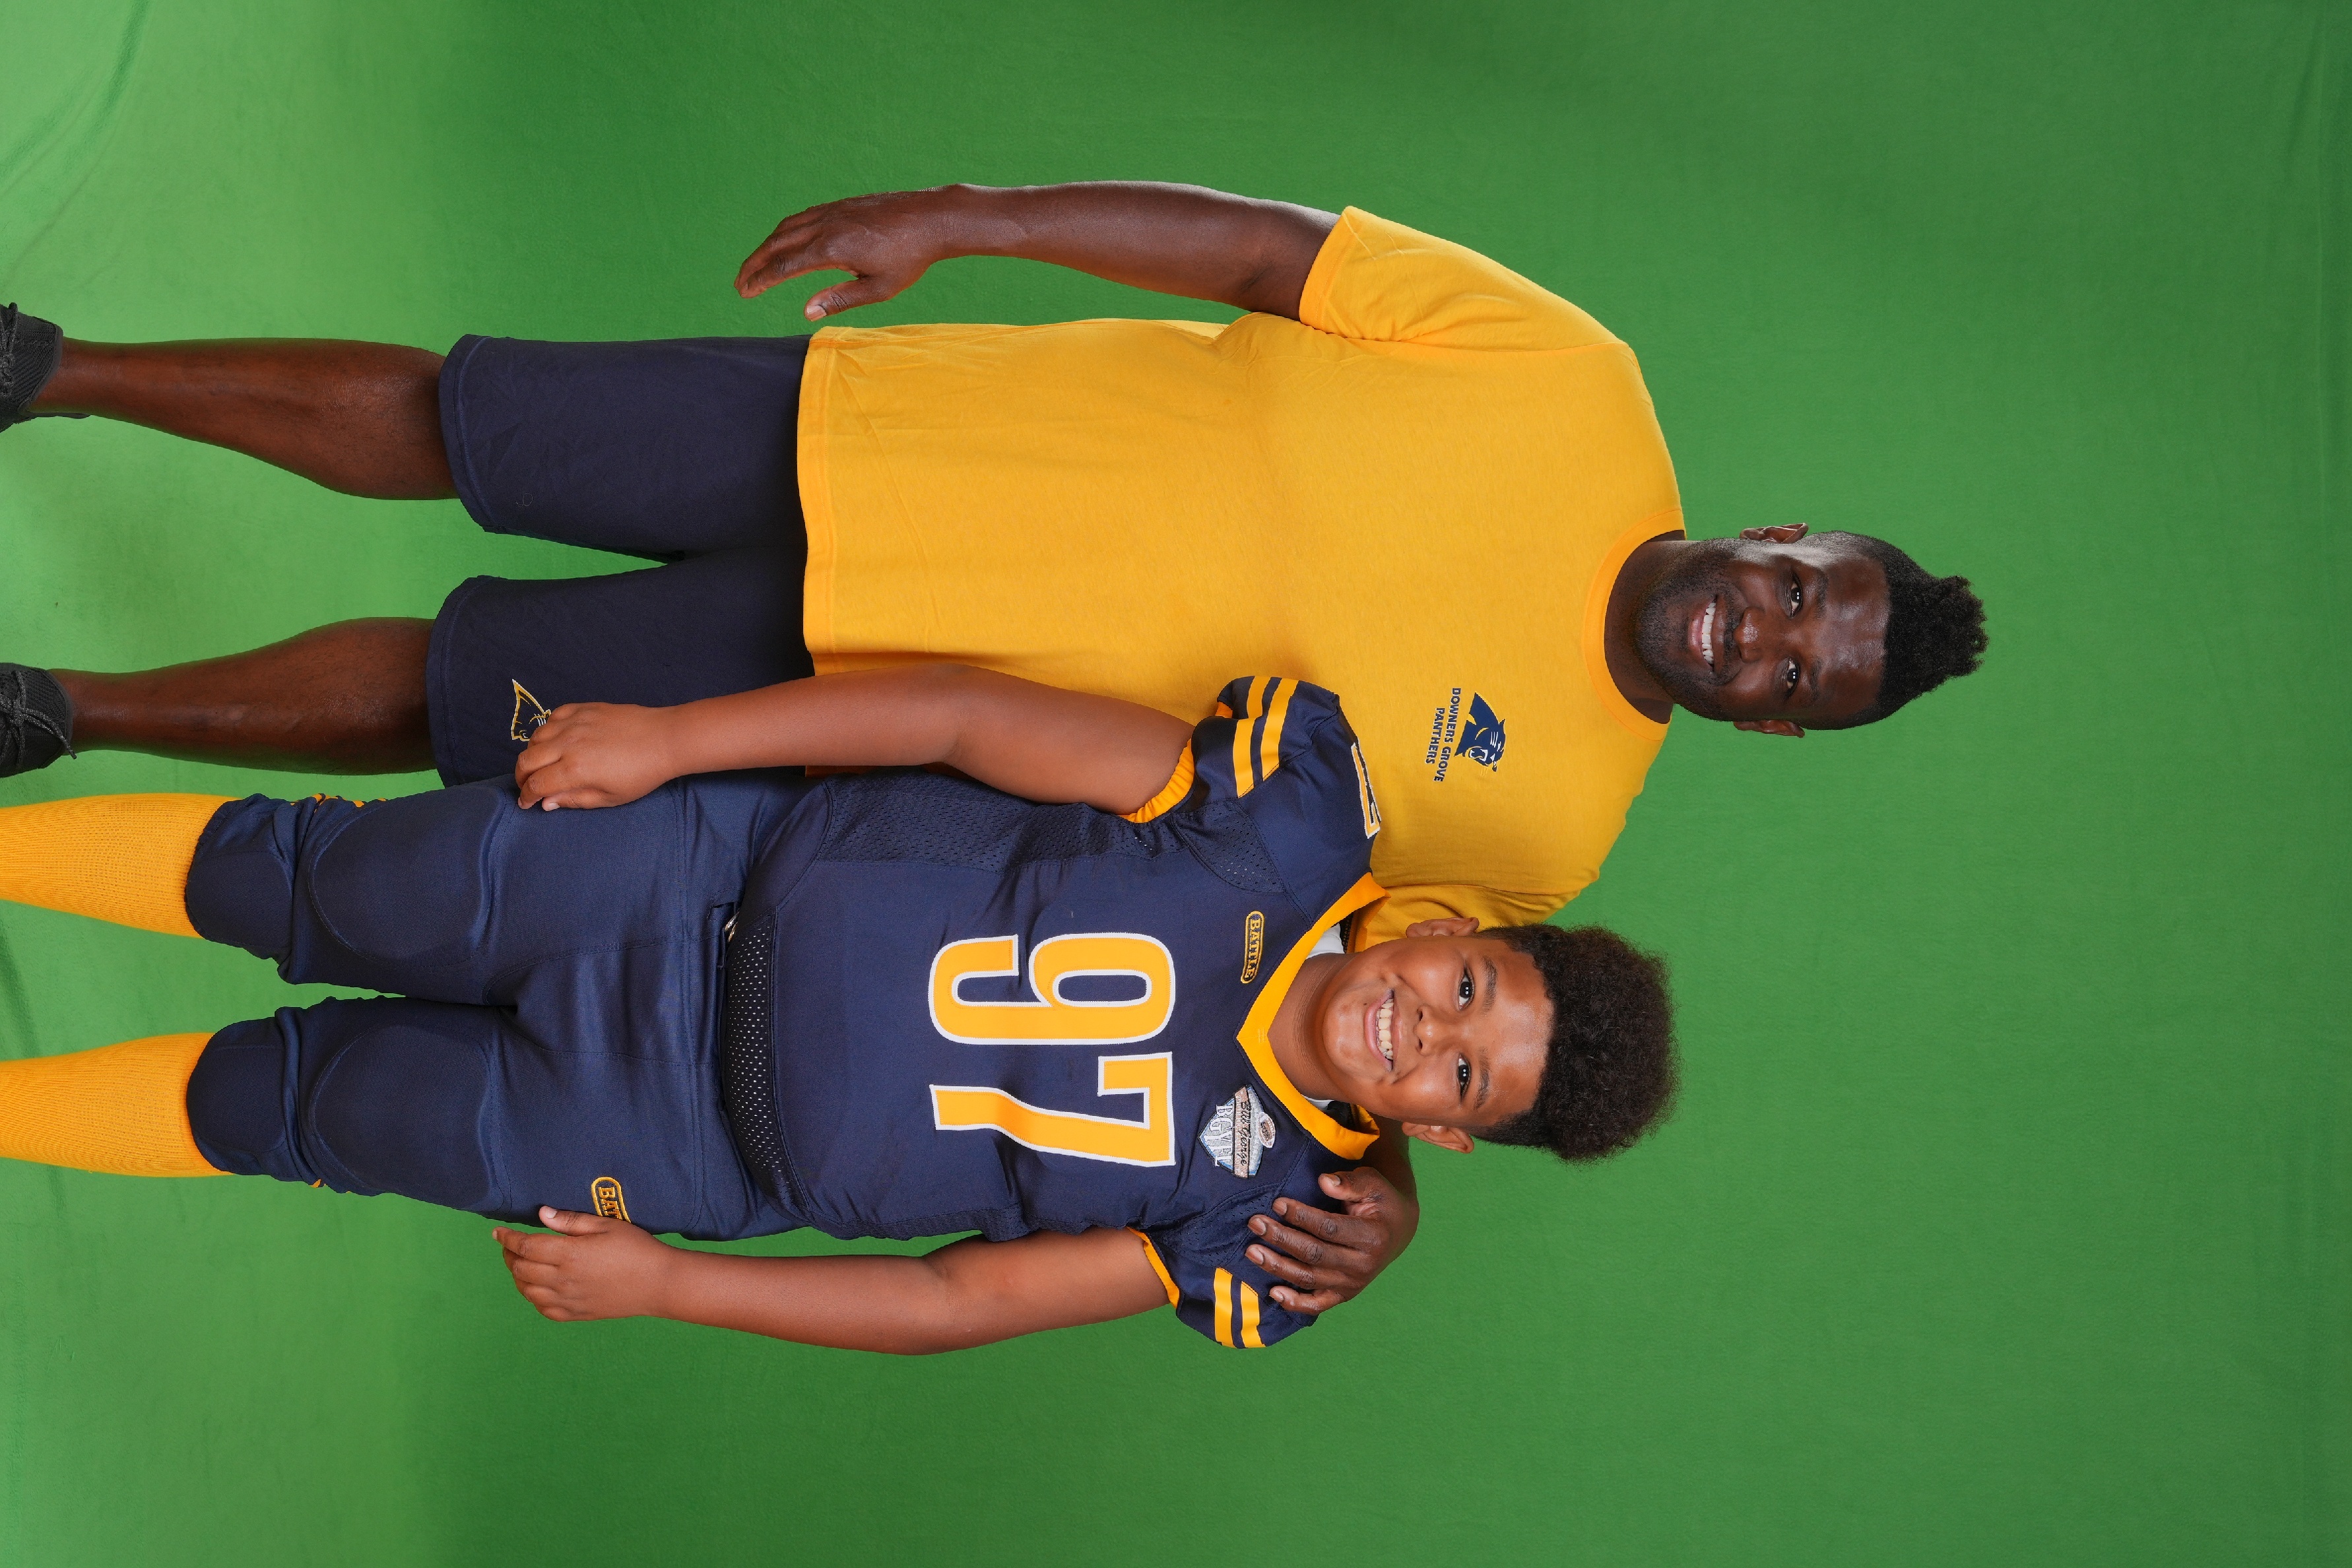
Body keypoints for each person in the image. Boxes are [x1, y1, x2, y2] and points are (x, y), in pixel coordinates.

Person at [0, 181, 1990, 952]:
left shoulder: (1547, 836)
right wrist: (972, 217)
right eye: (1799, 592)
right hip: (880, 426)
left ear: (1774, 727)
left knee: (464, 702)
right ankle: (55, 370)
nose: (1762, 634)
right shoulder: (1574, 379)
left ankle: (63, 714)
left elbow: (1314, 969)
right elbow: (1264, 254)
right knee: (470, 422)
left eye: (1794, 674)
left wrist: (1368, 1194)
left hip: (867, 699)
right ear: (1785, 531)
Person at [0, 661, 1675, 1352]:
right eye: (1469, 989)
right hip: (679, 879)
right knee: (308, 879)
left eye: (1466, 1075)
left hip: (671, 1140)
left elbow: (958, 1298)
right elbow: (958, 719)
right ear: (1451, 927)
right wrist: (675, 742)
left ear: (1450, 1131)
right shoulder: (1281, 825)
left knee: (295, 1113)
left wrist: (673, 1283)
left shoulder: (1271, 1219)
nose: (1426, 1032)